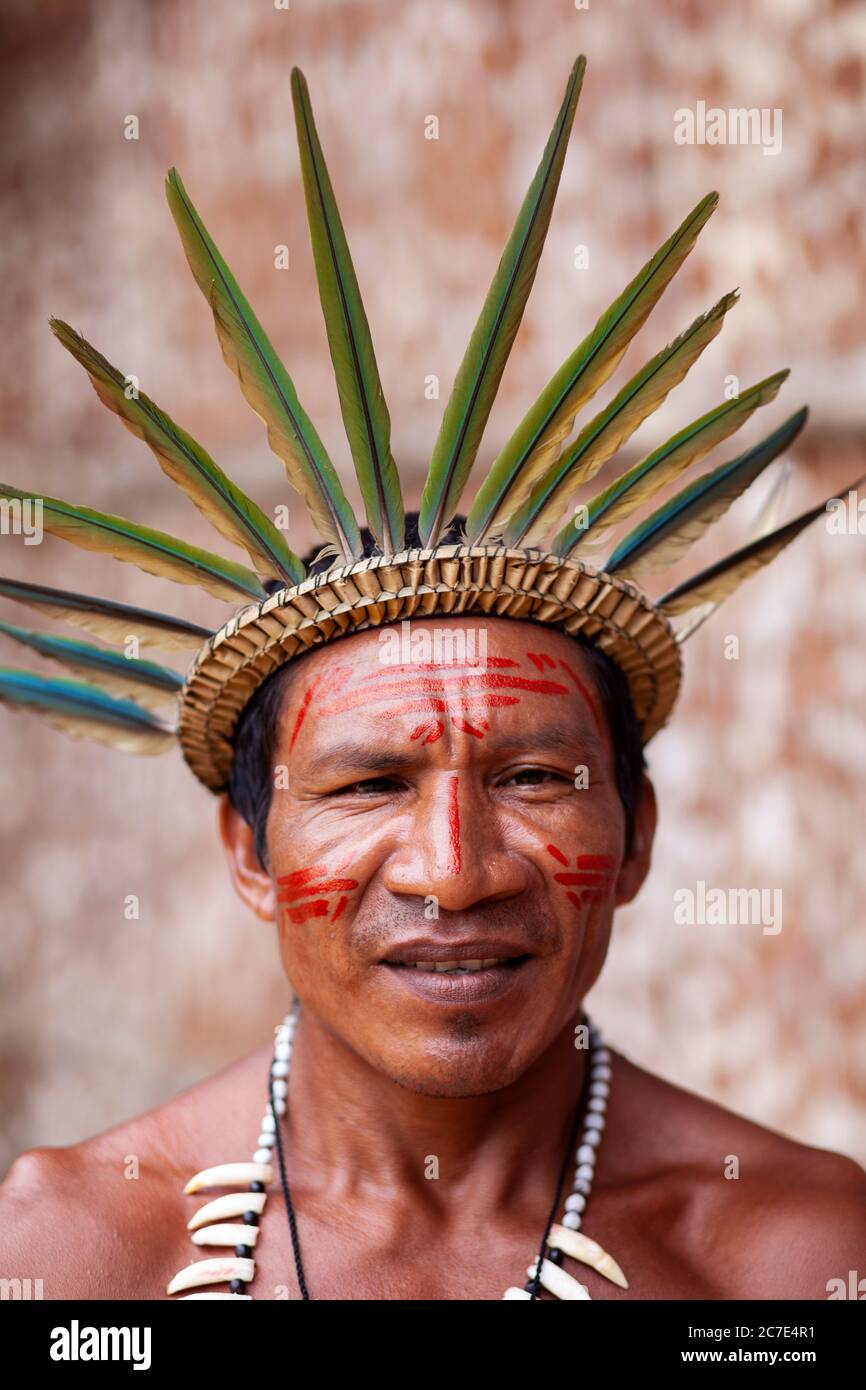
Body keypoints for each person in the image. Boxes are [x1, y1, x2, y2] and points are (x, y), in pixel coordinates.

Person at [1, 56, 863, 1300]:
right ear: (248, 847)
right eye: (366, 784)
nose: (452, 871)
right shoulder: (72, 1259)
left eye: (530, 774)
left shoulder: (790, 1265)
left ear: (636, 837)